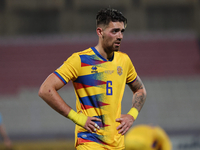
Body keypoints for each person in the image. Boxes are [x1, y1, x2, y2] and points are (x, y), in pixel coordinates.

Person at [38, 7, 147, 150]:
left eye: (122, 31)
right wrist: (78, 118)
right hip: (89, 142)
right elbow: (46, 90)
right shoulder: (80, 60)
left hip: (117, 144)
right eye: (114, 31)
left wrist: (132, 115)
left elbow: (140, 90)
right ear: (100, 32)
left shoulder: (124, 61)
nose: (120, 36)